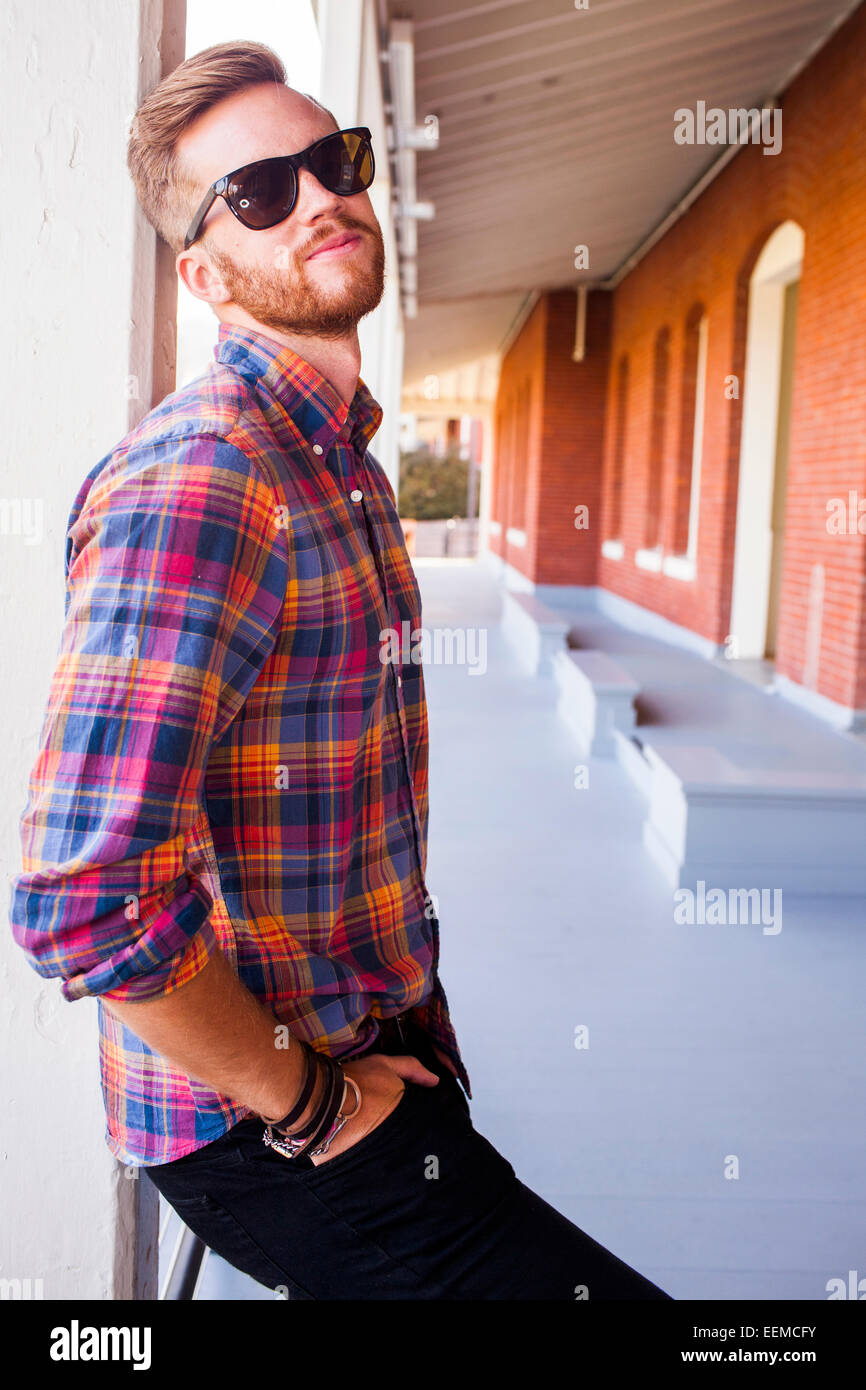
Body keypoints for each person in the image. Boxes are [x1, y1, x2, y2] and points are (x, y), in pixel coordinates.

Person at [9, 41, 671, 1301]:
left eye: (334, 160)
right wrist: (306, 1102)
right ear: (203, 273)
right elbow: (81, 898)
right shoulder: (205, 479)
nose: (318, 195)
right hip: (270, 1129)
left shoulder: (337, 461)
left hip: (375, 1055)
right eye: (260, 190)